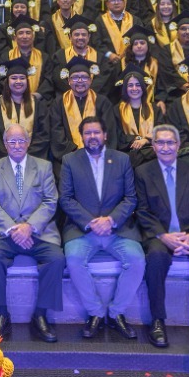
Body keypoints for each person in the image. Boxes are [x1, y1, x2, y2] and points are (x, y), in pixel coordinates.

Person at [60, 116, 145, 340]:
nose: (92, 137)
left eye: (96, 132)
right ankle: (96, 313)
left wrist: (111, 220)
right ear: (81, 136)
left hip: (118, 229)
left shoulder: (122, 159)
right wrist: (90, 222)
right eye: (87, 133)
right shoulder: (70, 160)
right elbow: (66, 199)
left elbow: (130, 197)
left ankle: (117, 313)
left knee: (136, 260)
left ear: (105, 135)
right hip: (82, 229)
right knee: (74, 260)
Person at [134, 125, 189, 347]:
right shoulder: (143, 172)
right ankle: (157, 320)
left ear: (179, 145)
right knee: (156, 258)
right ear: (153, 146)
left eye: (170, 142)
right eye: (160, 143)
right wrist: (163, 236)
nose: (165, 147)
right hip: (160, 235)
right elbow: (142, 211)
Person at [0, 123, 64, 343]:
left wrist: (30, 227)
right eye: (12, 141)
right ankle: (2, 314)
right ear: (5, 144)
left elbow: (50, 201)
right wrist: (13, 229)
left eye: (21, 141)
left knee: (56, 259)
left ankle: (41, 315)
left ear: (28, 143)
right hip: (5, 233)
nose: (17, 145)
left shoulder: (44, 166)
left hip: (38, 232)